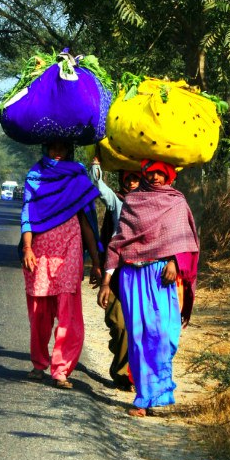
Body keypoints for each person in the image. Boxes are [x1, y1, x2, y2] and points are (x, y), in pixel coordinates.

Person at [97, 159, 199, 416]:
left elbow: (184, 239)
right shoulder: (133, 201)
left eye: (159, 173)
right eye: (150, 173)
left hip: (161, 275)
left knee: (164, 335)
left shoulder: (176, 202)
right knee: (139, 337)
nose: (154, 177)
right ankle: (144, 398)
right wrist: (107, 282)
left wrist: (175, 262)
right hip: (132, 275)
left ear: (169, 176)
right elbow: (119, 241)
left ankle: (160, 391)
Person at [21, 139, 102, 389]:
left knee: (68, 312)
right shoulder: (35, 175)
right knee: (39, 312)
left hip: (70, 250)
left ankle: (61, 370)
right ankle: (38, 363)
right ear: (45, 148)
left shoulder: (77, 175)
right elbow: (28, 214)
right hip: (39, 252)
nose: (57, 152)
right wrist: (27, 248)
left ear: (69, 149)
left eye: (62, 147)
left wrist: (97, 262)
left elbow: (87, 221)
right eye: (53, 147)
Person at [89, 158, 141, 390]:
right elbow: (100, 187)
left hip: (143, 273)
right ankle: (120, 371)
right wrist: (96, 164)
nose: (131, 182)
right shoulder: (117, 201)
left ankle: (131, 375)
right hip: (116, 272)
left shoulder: (155, 203)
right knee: (119, 324)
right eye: (128, 177)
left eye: (136, 177)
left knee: (140, 327)